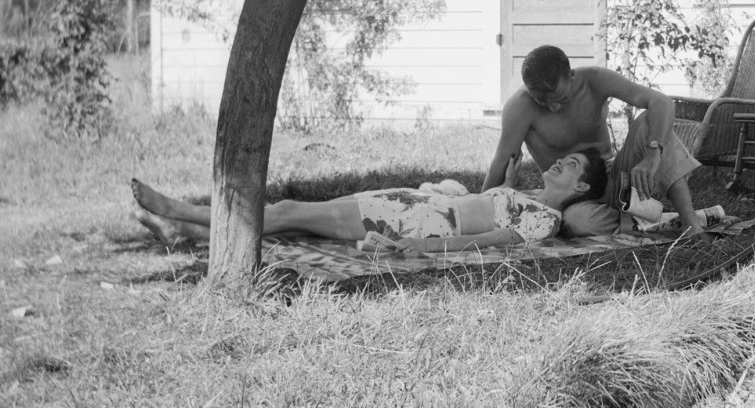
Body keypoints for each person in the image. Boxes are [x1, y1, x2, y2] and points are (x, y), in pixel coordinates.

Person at [131, 148, 608, 253]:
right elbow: (488, 207)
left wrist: (423, 247)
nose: (558, 163)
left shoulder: (546, 220)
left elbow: (491, 240)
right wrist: (505, 182)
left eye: (570, 166)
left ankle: (181, 211)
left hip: (417, 222)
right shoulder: (527, 194)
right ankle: (186, 232)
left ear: (582, 188)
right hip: (411, 205)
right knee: (294, 224)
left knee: (288, 213)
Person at [482, 45, 705, 236]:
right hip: (571, 199)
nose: (554, 107)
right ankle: (637, 221)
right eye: (543, 102)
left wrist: (652, 154)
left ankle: (690, 224)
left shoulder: (595, 80)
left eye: (560, 99)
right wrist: (478, 207)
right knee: (577, 222)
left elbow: (662, 102)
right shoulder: (519, 107)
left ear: (571, 75)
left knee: (650, 122)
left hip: (614, 179)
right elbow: (502, 161)